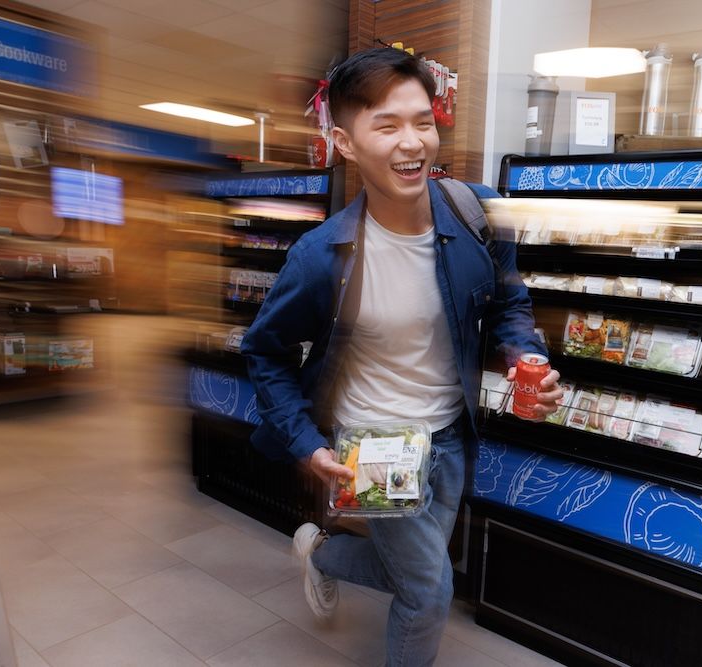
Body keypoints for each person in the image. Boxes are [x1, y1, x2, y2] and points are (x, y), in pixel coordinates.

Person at [241, 46, 562, 667]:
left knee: (411, 569)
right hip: (375, 441)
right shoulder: (320, 257)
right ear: (346, 142)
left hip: (451, 435)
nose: (411, 142)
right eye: (385, 125)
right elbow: (266, 352)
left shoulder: (476, 215)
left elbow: (507, 303)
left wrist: (528, 357)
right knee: (428, 588)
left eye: (423, 121)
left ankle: (323, 552)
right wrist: (307, 443)